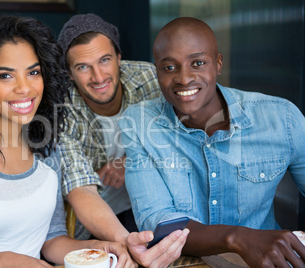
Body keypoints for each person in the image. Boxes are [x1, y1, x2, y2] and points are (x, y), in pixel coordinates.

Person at [0, 14, 134, 268]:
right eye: (5, 76)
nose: (25, 88)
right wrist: (0, 261)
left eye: (33, 72)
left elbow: (51, 241)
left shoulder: (47, 147)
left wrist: (95, 246)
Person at [119, 16, 305, 268]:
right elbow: (158, 222)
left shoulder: (281, 118)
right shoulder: (139, 123)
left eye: (197, 63)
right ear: (157, 72)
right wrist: (237, 238)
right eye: (169, 67)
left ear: (217, 64)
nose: (184, 78)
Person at [57, 13, 188, 267]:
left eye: (104, 60)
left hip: (155, 206)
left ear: (119, 58)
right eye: (83, 66)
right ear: (70, 74)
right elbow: (79, 186)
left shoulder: (147, 78)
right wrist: (125, 240)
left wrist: (128, 160)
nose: (98, 77)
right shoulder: (61, 108)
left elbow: (180, 133)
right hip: (96, 219)